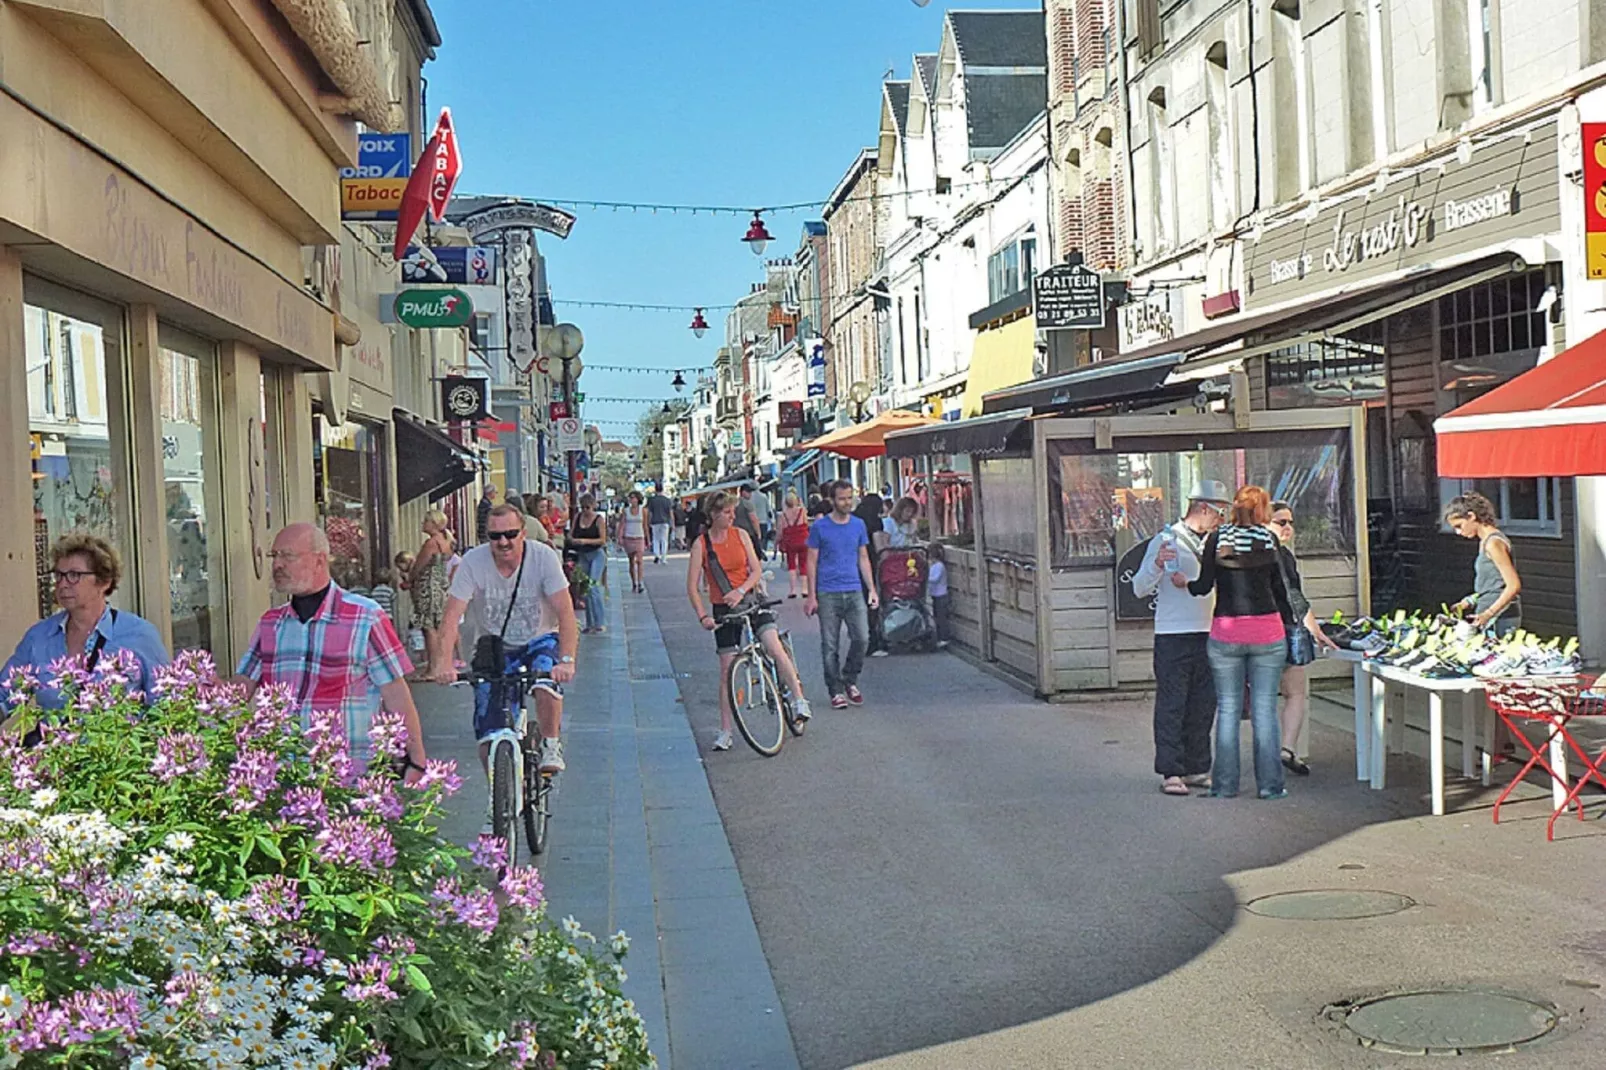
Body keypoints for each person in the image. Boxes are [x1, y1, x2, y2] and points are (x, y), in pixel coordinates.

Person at [238, 523, 428, 779]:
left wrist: (416, 759)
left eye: (288, 556)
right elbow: (239, 690)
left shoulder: (365, 617)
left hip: (347, 777)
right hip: (283, 779)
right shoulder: (271, 624)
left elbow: (396, 694)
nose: (277, 565)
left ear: (319, 561)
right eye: (275, 556)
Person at [432, 504, 579, 782]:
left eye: (510, 534)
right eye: (495, 536)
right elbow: (451, 617)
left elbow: (565, 612)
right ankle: (496, 800)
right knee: (488, 732)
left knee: (546, 680)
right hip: (494, 646)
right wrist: (443, 662)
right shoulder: (473, 563)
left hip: (540, 637)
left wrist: (567, 661)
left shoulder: (543, 558)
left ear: (523, 533)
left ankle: (550, 743)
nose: (503, 542)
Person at [1188, 486, 1296, 801]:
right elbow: (1281, 589)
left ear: (1234, 508)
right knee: (1264, 709)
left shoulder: (1217, 539)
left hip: (1227, 632)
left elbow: (1204, 585)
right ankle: (1271, 786)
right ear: (1262, 511)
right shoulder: (1269, 540)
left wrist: (1186, 584)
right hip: (1267, 633)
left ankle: (1224, 786)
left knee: (1229, 708)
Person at [3, 534, 170, 735]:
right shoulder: (39, 637)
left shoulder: (138, 635)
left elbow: (164, 707)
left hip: (118, 761)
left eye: (74, 575)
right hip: (57, 759)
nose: (63, 584)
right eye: (59, 575)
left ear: (104, 582)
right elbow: (5, 695)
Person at [687, 491, 812, 750]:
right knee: (726, 670)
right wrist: (703, 616)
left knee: (772, 645)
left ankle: (799, 699)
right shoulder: (701, 544)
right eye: (727, 513)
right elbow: (692, 587)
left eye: (733, 512)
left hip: (751, 600)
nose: (733, 517)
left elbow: (755, 571)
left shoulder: (741, 536)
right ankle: (726, 731)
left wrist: (741, 590)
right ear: (713, 515)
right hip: (723, 609)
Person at [1132, 482, 1230, 796]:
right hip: (1173, 633)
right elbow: (1139, 587)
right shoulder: (1167, 539)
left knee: (1204, 703)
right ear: (1202, 508)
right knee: (1172, 703)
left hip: (1209, 630)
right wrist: (1158, 563)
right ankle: (1171, 771)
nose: (1220, 518)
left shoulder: (1217, 542)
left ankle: (1197, 766)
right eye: (1218, 511)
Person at [1269, 500, 1340, 777]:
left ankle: (1278, 751)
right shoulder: (1281, 556)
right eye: (1281, 522)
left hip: (1249, 630)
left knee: (1264, 696)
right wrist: (1315, 629)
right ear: (1265, 523)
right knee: (1296, 692)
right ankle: (1286, 748)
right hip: (1283, 627)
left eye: (1290, 522)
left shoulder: (1246, 552)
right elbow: (1293, 596)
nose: (1288, 528)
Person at [806, 480, 879, 709]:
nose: (847, 502)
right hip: (828, 591)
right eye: (842, 498)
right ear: (832, 500)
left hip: (854, 588)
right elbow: (811, 560)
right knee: (830, 645)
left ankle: (850, 679)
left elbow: (863, 557)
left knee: (862, 638)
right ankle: (835, 690)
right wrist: (811, 595)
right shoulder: (820, 527)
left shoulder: (858, 525)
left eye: (850, 497)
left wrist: (872, 589)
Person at [1445, 491, 1522, 636]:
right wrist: (1468, 602)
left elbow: (1513, 585)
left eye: (1459, 526)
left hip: (1501, 618)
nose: (1458, 532)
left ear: (1471, 516)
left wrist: (1488, 614)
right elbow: (1492, 585)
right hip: (1488, 615)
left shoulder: (1494, 543)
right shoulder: (1485, 542)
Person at [408, 509, 454, 682]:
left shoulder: (431, 543)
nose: (423, 524)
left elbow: (419, 565)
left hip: (427, 587)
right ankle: (436, 665)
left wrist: (410, 579)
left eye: (426, 521)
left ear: (433, 524)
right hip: (440, 586)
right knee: (435, 625)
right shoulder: (446, 541)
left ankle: (432, 668)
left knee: (428, 627)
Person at [854, 493, 890, 658]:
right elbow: (878, 546)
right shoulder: (875, 522)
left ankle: (858, 638)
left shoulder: (853, 519)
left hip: (851, 563)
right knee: (871, 600)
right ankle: (872, 640)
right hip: (870, 562)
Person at [568, 495, 609, 633]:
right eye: (583, 507)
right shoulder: (578, 518)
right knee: (585, 589)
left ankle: (600, 622)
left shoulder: (599, 519)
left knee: (593, 587)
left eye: (588, 507)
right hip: (582, 555)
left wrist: (585, 541)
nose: (586, 510)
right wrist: (573, 540)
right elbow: (571, 534)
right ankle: (590, 623)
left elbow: (603, 540)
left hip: (597, 554)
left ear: (593, 506)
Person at [777, 489, 811, 599]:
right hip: (803, 540)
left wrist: (776, 543)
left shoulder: (782, 515)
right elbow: (806, 523)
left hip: (790, 542)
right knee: (803, 564)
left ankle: (792, 590)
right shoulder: (802, 511)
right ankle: (805, 589)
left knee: (791, 565)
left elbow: (780, 531)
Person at [620, 491, 648, 593]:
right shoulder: (626, 511)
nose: (632, 500)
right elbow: (622, 524)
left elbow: (645, 525)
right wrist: (620, 537)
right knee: (631, 562)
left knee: (639, 561)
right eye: (630, 498)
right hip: (629, 537)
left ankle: (640, 582)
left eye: (634, 498)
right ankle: (634, 582)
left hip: (639, 537)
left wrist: (647, 539)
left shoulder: (643, 511)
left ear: (638, 499)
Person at [927, 542, 951, 648]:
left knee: (941, 617)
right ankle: (940, 637)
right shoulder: (933, 566)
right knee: (937, 616)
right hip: (935, 594)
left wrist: (925, 578)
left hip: (941, 594)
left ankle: (944, 638)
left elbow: (934, 579)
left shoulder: (939, 566)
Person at [646, 483, 674, 563]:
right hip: (665, 522)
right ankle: (664, 557)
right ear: (662, 489)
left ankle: (657, 555)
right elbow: (670, 512)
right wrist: (672, 523)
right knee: (664, 540)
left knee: (656, 539)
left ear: (655, 489)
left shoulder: (652, 500)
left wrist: (648, 522)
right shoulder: (667, 500)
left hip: (655, 522)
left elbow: (650, 513)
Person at [744, 484, 774, 558]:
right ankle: (762, 552)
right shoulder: (764, 497)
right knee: (763, 538)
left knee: (754, 539)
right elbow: (769, 510)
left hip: (752, 522)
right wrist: (772, 521)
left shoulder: (750, 498)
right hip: (763, 520)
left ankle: (755, 553)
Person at [734, 484, 764, 552]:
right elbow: (754, 519)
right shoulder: (747, 504)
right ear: (743, 492)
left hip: (735, 532)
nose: (750, 494)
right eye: (749, 492)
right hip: (748, 533)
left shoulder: (734, 503)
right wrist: (758, 533)